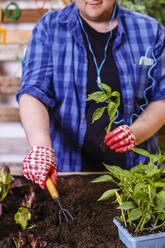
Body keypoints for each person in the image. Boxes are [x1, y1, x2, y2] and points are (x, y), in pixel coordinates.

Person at [16, 0, 165, 190]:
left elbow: (162, 96)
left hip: (137, 174)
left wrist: (137, 132)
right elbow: (33, 93)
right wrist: (41, 147)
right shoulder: (50, 27)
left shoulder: (150, 31)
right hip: (68, 172)